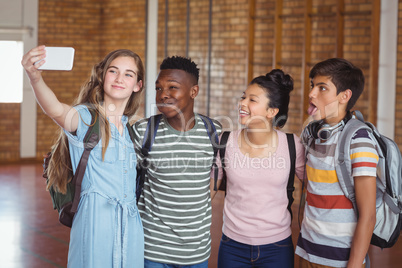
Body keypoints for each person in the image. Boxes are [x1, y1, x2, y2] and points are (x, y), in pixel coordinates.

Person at [21, 46, 145, 267]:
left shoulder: (132, 128)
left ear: (137, 85)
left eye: (128, 74)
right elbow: (55, 109)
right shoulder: (86, 117)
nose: (119, 78)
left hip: (130, 226)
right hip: (95, 223)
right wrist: (35, 78)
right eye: (113, 71)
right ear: (103, 76)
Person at [132, 56, 222, 267]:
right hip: (152, 249)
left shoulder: (214, 131)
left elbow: (215, 178)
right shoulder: (143, 132)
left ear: (194, 91)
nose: (163, 94)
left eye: (173, 87)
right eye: (158, 88)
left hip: (196, 252)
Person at [214, 69, 305, 268]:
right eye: (243, 97)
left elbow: (315, 186)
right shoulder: (226, 141)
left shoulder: (292, 145)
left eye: (252, 100)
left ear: (272, 112)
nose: (242, 103)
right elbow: (208, 190)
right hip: (232, 246)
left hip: (277, 247)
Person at [295, 58, 378, 268]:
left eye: (322, 88)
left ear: (344, 96)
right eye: (313, 85)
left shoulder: (359, 140)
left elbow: (368, 216)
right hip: (305, 250)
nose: (312, 93)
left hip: (339, 258)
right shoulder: (312, 133)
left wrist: (354, 264)